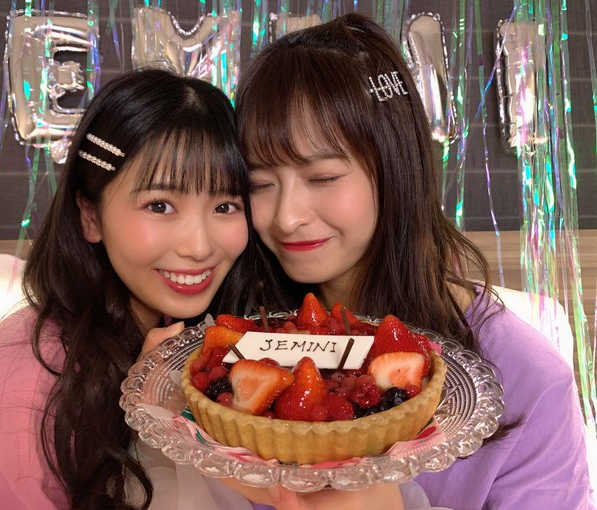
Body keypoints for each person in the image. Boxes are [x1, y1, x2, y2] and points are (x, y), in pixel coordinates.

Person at [235, 13, 594, 510]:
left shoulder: (524, 376)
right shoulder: (237, 341)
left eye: (322, 177)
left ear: (395, 168)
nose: (286, 217)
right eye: (259, 183)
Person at [0, 68, 264, 509]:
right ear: (90, 216)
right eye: (159, 205)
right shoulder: (19, 394)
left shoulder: (187, 342)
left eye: (225, 205)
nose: (199, 246)